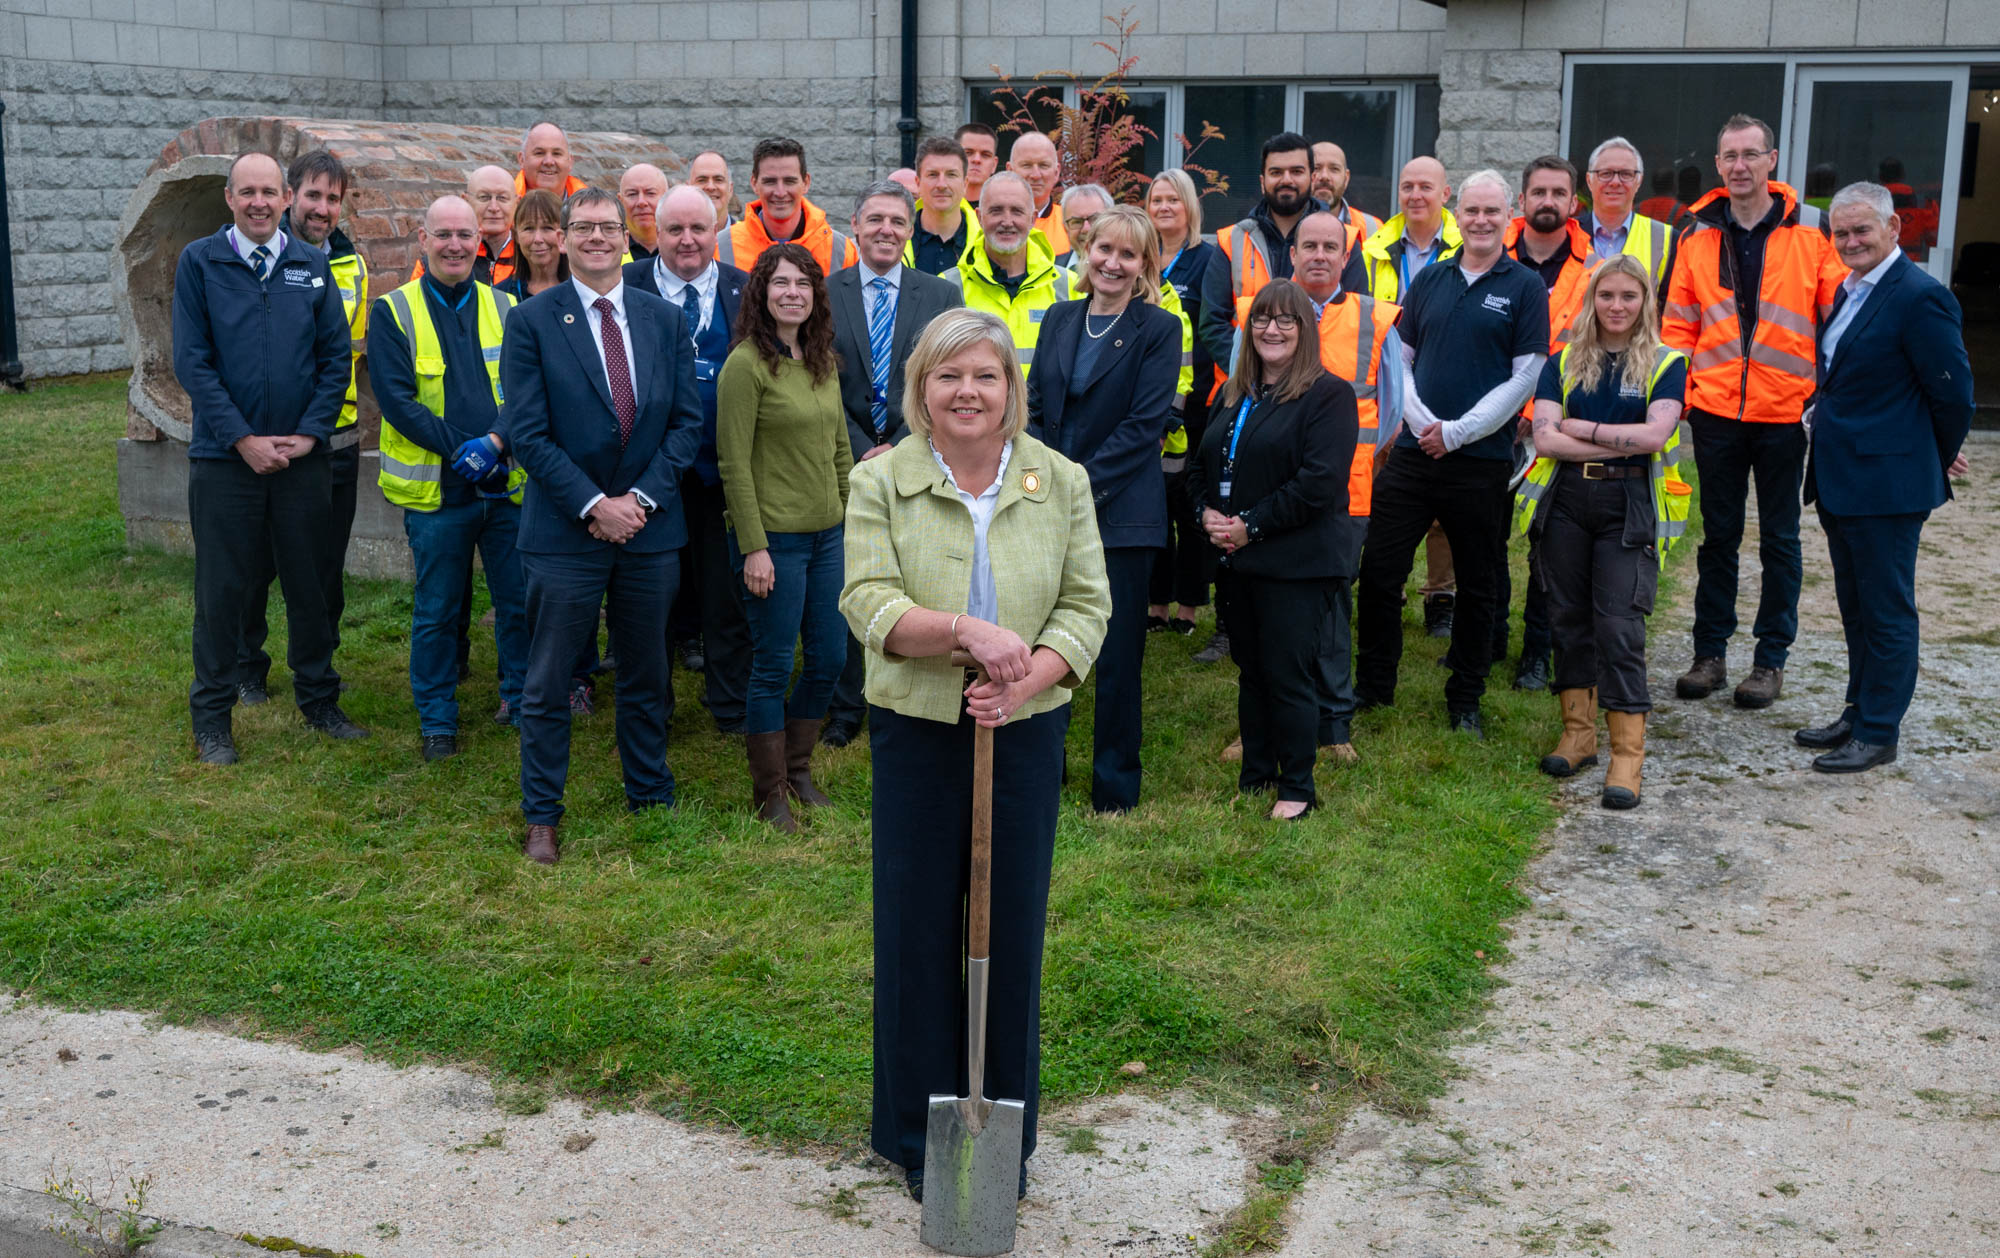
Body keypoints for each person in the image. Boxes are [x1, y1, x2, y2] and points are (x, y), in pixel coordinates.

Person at [841, 308, 1111, 1207]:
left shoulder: (1060, 480)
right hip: (919, 730)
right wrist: (966, 634)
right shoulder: (883, 481)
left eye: (985, 377)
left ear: (1011, 391)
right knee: (919, 929)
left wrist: (1024, 679)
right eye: (948, 376)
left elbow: (1087, 605)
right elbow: (869, 604)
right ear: (922, 389)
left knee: (1010, 933)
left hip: (1024, 732)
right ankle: (920, 1135)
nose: (968, 392)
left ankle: (1004, 1132)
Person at [500, 187, 705, 865]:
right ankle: (542, 816)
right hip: (566, 532)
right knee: (548, 678)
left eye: (607, 227)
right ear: (560, 238)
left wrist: (639, 501)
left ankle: (649, 791)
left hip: (650, 530)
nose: (595, 237)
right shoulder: (531, 321)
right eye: (582, 227)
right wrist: (595, 504)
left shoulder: (663, 320)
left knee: (648, 671)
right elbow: (528, 434)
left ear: (628, 236)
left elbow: (686, 424)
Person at [172, 151, 364, 764]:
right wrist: (242, 439)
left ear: (285, 198)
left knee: (311, 584)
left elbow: (336, 360)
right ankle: (213, 719)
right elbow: (192, 363)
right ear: (229, 198)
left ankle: (319, 700)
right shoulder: (200, 262)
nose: (258, 202)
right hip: (226, 459)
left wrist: (309, 436)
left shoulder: (311, 264)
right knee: (222, 588)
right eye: (246, 191)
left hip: (302, 459)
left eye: (268, 192)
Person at [1354, 170, 1549, 738]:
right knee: (1382, 570)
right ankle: (1373, 686)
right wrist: (1422, 424)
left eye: (1492, 211)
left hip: (1480, 459)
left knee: (1478, 583)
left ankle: (1465, 697)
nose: (1481, 221)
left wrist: (1459, 431)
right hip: (1416, 452)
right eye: (1471, 211)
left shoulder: (1524, 286)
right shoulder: (1433, 279)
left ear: (1508, 213)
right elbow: (1400, 361)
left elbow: (1526, 376)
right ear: (1455, 215)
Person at [1664, 114, 1845, 711]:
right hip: (1715, 412)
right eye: (1728, 156)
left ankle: (1770, 660)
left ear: (1772, 161)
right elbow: (1678, 327)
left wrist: (1819, 395)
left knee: (1780, 540)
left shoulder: (1812, 233)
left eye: (1750, 154)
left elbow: (1838, 323)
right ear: (1717, 166)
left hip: (1784, 413)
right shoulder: (1695, 233)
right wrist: (1683, 395)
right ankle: (1709, 654)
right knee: (1717, 538)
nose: (1739, 166)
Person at [1795, 183, 1974, 773]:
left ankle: (1878, 732)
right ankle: (1858, 708)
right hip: (1844, 477)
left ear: (1894, 228)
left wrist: (1929, 452)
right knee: (1856, 605)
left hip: (1888, 486)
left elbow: (1954, 395)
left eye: (1862, 231)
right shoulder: (1849, 290)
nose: (1850, 242)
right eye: (1840, 233)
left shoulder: (1919, 296)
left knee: (1888, 609)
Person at [1516, 255, 1690, 809]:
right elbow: (1545, 441)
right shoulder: (1564, 361)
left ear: (1645, 303)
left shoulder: (1666, 364)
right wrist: (1621, 437)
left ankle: (1627, 756)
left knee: (1618, 627)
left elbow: (1657, 436)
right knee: (1567, 618)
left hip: (1628, 505)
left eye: (1628, 297)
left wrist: (1583, 428)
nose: (1617, 307)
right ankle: (1578, 734)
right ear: (1592, 300)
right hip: (1566, 502)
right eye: (1606, 296)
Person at [1028, 205, 1182, 813]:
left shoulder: (1158, 328)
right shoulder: (1061, 318)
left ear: (1145, 265)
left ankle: (1115, 788)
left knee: (1116, 656)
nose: (1112, 263)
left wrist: (1074, 490)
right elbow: (1035, 404)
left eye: (1128, 255)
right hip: (1047, 507)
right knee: (1045, 648)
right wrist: (1045, 483)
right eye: (1104, 250)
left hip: (1120, 515)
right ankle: (1044, 770)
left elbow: (1145, 427)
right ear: (1086, 252)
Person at [368, 195, 529, 763]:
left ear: (478, 243)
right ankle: (438, 719)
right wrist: (463, 451)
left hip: (505, 486)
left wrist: (494, 444)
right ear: (423, 239)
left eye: (466, 235)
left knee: (518, 603)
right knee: (437, 609)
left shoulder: (506, 306)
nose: (456, 245)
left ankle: (520, 701)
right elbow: (396, 401)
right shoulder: (392, 311)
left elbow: (526, 390)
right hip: (438, 493)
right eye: (444, 235)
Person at [1189, 281, 1357, 820]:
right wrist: (1204, 516)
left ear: (1306, 331)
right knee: (1252, 671)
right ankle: (1257, 775)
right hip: (1237, 559)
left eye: (1287, 320)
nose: (1272, 329)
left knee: (1287, 674)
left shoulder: (1329, 395)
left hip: (1295, 562)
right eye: (1262, 319)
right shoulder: (1231, 394)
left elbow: (1319, 483)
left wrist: (1250, 527)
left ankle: (1298, 789)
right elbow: (1199, 467)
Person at [716, 243, 854, 831]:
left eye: (802, 283)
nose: (792, 292)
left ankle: (799, 770)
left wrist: (851, 518)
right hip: (775, 541)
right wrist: (754, 546)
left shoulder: (821, 359)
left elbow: (840, 447)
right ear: (762, 294)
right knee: (773, 665)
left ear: (815, 294)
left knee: (830, 659)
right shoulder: (745, 365)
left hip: (829, 539)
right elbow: (733, 464)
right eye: (780, 283)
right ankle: (769, 791)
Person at [823, 181, 964, 748]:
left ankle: (902, 688)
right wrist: (859, 444)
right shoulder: (824, 291)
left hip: (918, 450)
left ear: (911, 230)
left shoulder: (939, 296)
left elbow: (946, 375)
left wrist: (903, 440)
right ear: (854, 225)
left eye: (897, 222)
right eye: (874, 219)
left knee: (907, 575)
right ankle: (842, 707)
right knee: (850, 578)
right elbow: (816, 377)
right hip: (841, 452)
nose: (886, 230)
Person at [236, 150, 369, 710]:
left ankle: (317, 667)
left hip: (333, 443)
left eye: (332, 199)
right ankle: (247, 668)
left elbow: (343, 356)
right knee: (255, 564)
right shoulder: (261, 260)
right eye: (312, 195)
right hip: (270, 442)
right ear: (290, 196)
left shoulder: (352, 266)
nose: (321, 208)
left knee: (323, 571)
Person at [623, 185, 754, 735]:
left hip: (724, 472)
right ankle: (652, 711)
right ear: (655, 229)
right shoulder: (625, 287)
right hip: (649, 473)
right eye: (674, 229)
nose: (687, 240)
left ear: (718, 227)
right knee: (653, 600)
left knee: (726, 595)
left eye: (699, 228)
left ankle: (730, 707)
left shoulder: (746, 290)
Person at [1282, 210, 1403, 764]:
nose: (1320, 256)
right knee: (1271, 608)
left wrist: (1354, 463)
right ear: (1293, 253)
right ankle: (1269, 718)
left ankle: (1334, 728)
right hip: (1274, 492)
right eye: (1309, 245)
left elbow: (1395, 408)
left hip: (1346, 492)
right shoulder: (1264, 315)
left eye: (1331, 247)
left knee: (1332, 606)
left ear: (1346, 255)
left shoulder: (1375, 320)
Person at [1499, 155, 1599, 693]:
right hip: (1495, 421)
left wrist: (1548, 417)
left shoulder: (1595, 268)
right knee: (1486, 538)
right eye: (1537, 192)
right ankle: (1490, 635)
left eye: (1558, 193)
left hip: (1560, 424)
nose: (1547, 202)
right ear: (1522, 200)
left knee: (1548, 545)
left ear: (1573, 203)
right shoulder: (1489, 256)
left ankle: (1536, 652)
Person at [1360, 155, 1464, 640]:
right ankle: (1389, 587)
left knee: (1443, 504)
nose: (1415, 195)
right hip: (1383, 385)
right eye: (1407, 186)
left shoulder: (1467, 246)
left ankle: (1440, 597)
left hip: (1445, 384)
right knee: (1384, 495)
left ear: (1446, 195)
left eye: (1426, 186)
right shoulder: (1373, 247)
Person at [1199, 132, 1350, 385]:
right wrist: (1253, 372)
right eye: (1276, 172)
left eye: (1296, 171)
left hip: (1315, 388)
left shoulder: (1343, 240)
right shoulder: (1232, 240)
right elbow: (1212, 323)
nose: (1286, 180)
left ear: (1312, 178)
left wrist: (1298, 376)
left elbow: (1346, 318)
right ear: (1262, 181)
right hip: (1242, 390)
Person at [1146, 170, 1225, 643]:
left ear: (1190, 207)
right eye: (1156, 198)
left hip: (1196, 402)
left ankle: (1190, 606)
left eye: (1174, 199)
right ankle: (1155, 602)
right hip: (1146, 399)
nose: (1165, 207)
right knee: (1152, 501)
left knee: (1191, 501)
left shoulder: (1208, 259)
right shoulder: (1140, 254)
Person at [943, 172, 1071, 366]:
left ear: (1033, 218)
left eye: (1017, 211)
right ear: (979, 217)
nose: (1007, 221)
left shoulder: (1069, 286)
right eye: (996, 211)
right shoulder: (947, 286)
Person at [716, 136, 857, 277]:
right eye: (770, 181)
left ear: (806, 183)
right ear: (754, 183)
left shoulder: (840, 250)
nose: (780, 192)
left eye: (789, 181)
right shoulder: (721, 247)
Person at [1577, 137, 1670, 283]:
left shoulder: (1666, 239)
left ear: (1639, 181)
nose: (1615, 182)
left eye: (1626, 174)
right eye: (1606, 173)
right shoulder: (1566, 234)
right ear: (1589, 180)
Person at [905, 135, 977, 277]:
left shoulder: (986, 243)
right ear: (918, 183)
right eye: (933, 175)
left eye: (951, 174)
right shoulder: (896, 239)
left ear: (965, 184)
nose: (942, 185)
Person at [1312, 140, 1385, 257]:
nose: (1324, 176)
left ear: (1346, 179)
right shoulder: (1290, 225)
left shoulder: (1373, 228)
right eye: (1316, 168)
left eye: (1334, 169)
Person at [495, 189, 569, 299]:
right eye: (528, 229)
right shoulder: (499, 296)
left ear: (564, 235)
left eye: (547, 228)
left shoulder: (584, 291)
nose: (538, 239)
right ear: (515, 235)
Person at [1008, 131, 1068, 258]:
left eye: (1043, 165)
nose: (1036, 175)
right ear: (1010, 170)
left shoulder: (1070, 223)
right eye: (1027, 165)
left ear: (1056, 172)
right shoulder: (988, 221)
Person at [516, 121, 585, 198]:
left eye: (556, 153)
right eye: (539, 153)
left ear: (570, 162)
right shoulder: (503, 207)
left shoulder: (589, 207)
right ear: (522, 160)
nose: (549, 162)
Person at [618, 162, 668, 260]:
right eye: (632, 194)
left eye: (650, 193)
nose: (641, 202)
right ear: (620, 201)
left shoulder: (683, 247)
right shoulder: (608, 250)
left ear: (666, 198)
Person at [1053, 183, 1110, 268]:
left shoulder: (1130, 273)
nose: (1086, 229)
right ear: (1065, 227)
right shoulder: (1050, 271)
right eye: (1077, 222)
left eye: (1094, 219)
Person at [689, 149, 737, 230]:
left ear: (730, 189)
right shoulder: (675, 240)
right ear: (688, 189)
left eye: (718, 180)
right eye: (702, 180)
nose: (711, 187)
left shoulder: (750, 240)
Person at [956, 122, 1000, 205]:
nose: (976, 160)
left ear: (994, 164)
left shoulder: (1004, 208)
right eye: (968, 153)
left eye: (985, 155)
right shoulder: (935, 207)